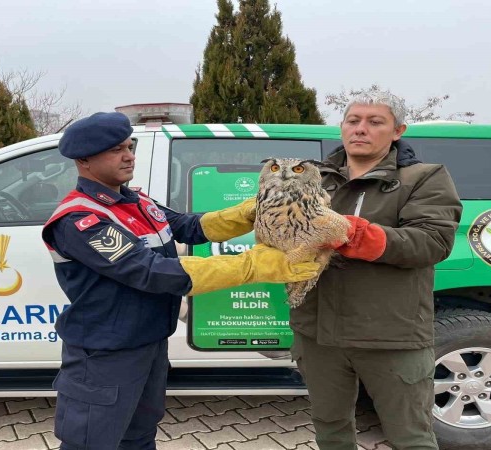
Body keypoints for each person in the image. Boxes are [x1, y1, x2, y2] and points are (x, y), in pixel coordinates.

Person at [41, 111, 321, 450]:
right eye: (116, 150)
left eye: (130, 146)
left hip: (149, 343)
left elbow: (188, 226)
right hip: (104, 354)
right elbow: (150, 272)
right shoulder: (81, 219)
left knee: (139, 437)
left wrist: (251, 211)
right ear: (83, 159)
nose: (129, 155)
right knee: (91, 443)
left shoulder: (135, 201)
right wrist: (252, 266)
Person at [290, 91, 463, 450]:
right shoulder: (312, 178)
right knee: (330, 428)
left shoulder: (424, 177)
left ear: (398, 130)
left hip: (390, 334)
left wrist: (354, 234)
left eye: (375, 122)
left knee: (410, 436)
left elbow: (431, 241)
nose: (361, 129)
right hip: (318, 332)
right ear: (342, 128)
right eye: (353, 121)